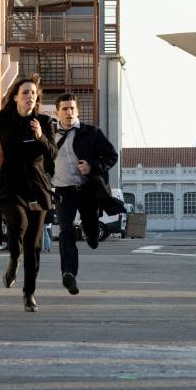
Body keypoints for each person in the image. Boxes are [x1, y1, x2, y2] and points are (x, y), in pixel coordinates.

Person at [0, 74, 57, 313]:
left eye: (33, 93)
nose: (30, 96)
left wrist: (40, 135)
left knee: (34, 245)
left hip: (38, 186)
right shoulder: (3, 119)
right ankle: (13, 258)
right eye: (25, 93)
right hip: (11, 184)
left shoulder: (44, 122)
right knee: (17, 223)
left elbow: (53, 153)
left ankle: (29, 293)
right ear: (15, 97)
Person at [51, 93, 120, 296]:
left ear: (77, 111)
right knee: (66, 231)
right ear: (57, 112)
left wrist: (92, 166)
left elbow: (111, 156)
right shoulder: (51, 134)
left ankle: (92, 236)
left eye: (72, 108)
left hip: (87, 190)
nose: (69, 112)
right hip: (64, 191)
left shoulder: (92, 133)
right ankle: (69, 273)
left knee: (90, 229)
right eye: (64, 108)